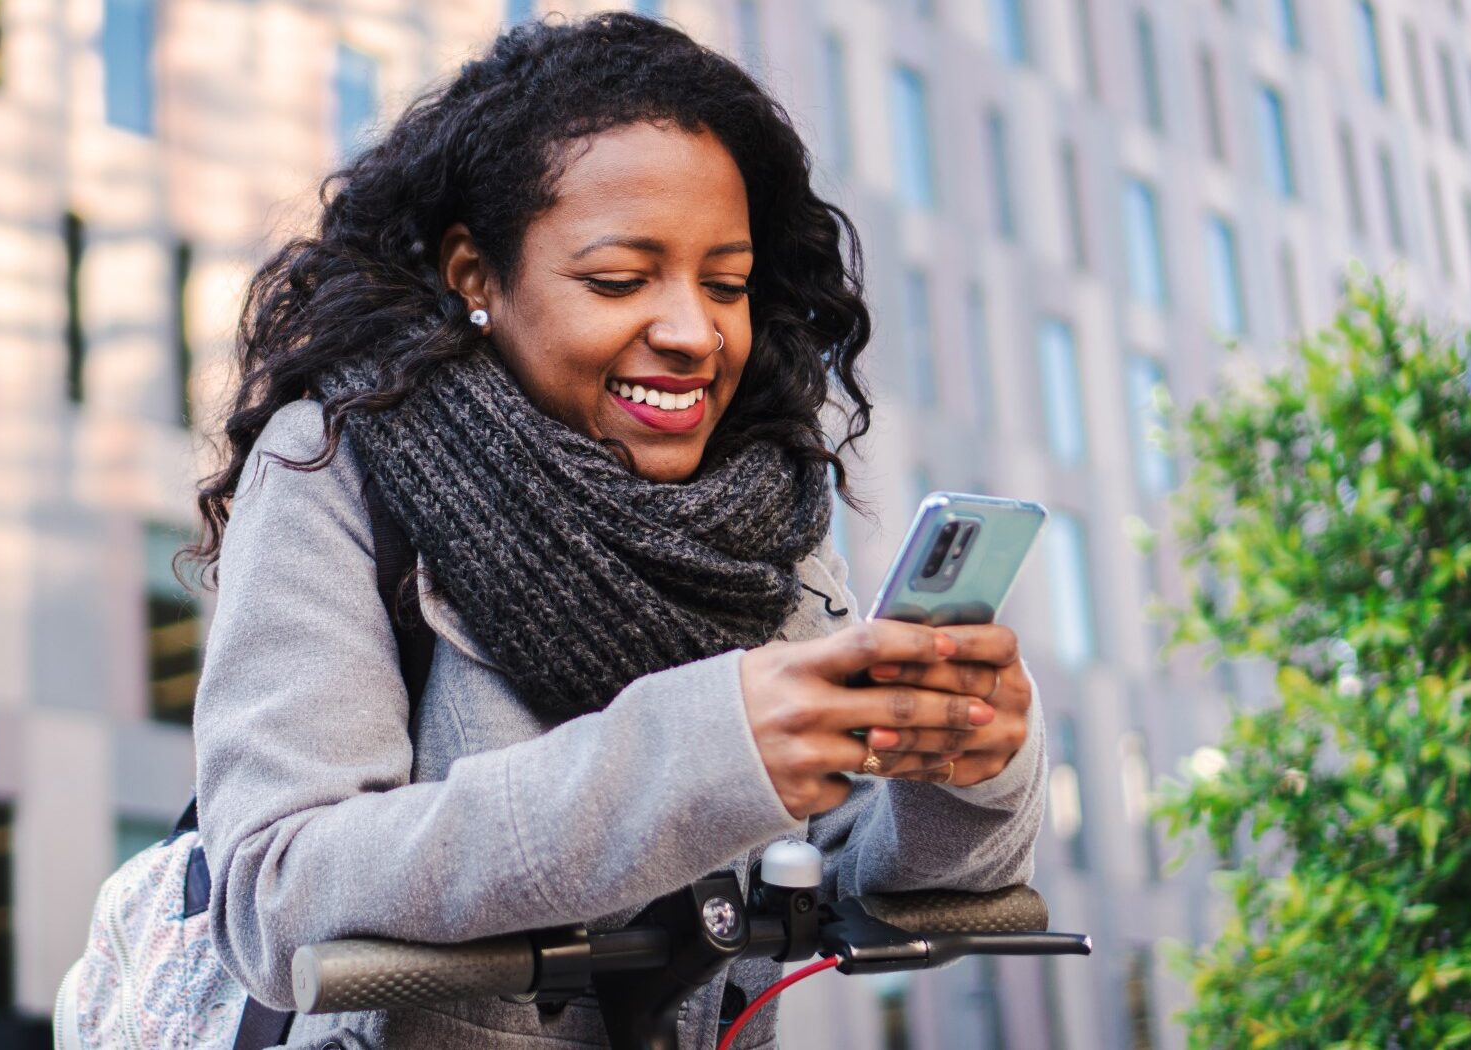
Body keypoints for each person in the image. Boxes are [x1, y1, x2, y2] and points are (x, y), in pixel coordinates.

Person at [189, 13, 1046, 1049]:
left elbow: (857, 874)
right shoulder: (336, 461)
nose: (692, 332)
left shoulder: (755, 500)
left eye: (724, 284)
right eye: (617, 280)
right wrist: (702, 752)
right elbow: (273, 897)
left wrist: (964, 766)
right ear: (474, 276)